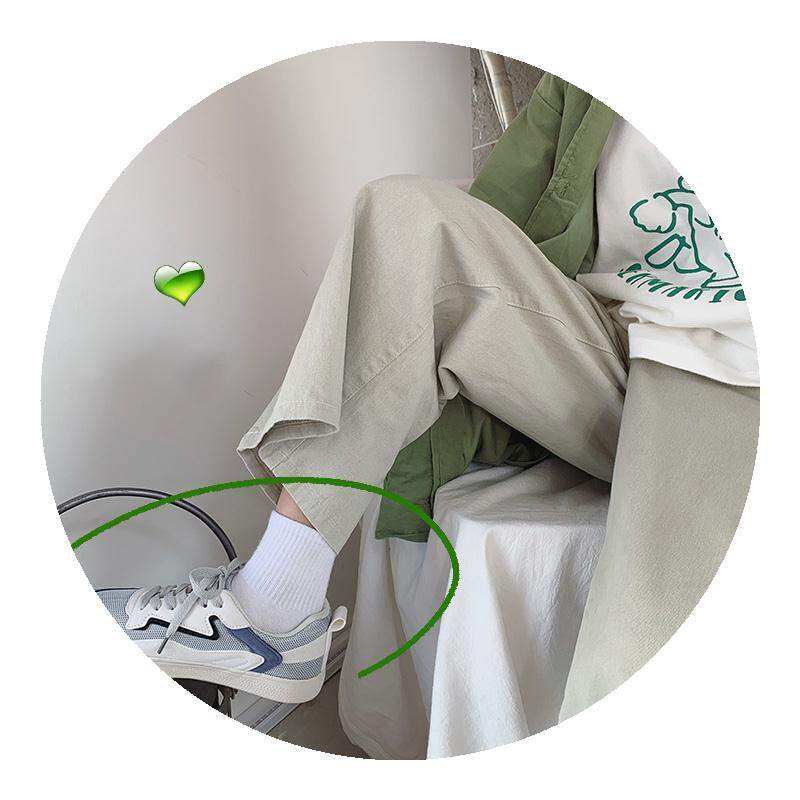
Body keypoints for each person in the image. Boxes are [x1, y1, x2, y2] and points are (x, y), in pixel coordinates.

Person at [99, 78, 759, 715]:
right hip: (604, 353)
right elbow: (488, 221)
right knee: (406, 216)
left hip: (736, 375)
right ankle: (274, 605)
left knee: (634, 663)